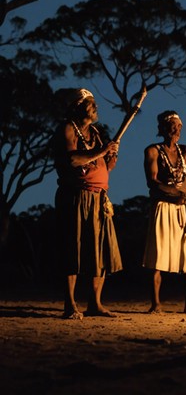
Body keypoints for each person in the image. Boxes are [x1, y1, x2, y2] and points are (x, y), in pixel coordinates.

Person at [51, 88, 122, 319]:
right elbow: (73, 159)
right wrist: (101, 150)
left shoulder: (96, 133)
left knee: (98, 251)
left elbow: (105, 166)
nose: (96, 107)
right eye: (91, 103)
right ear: (77, 106)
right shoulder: (68, 128)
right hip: (76, 196)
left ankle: (95, 303)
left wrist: (111, 156)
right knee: (74, 248)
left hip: (99, 197)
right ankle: (70, 304)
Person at [142, 110, 186, 314]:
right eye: (172, 125)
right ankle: (156, 304)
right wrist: (176, 193)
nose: (176, 129)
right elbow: (153, 183)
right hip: (164, 207)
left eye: (179, 126)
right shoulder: (153, 151)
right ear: (162, 128)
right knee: (158, 256)